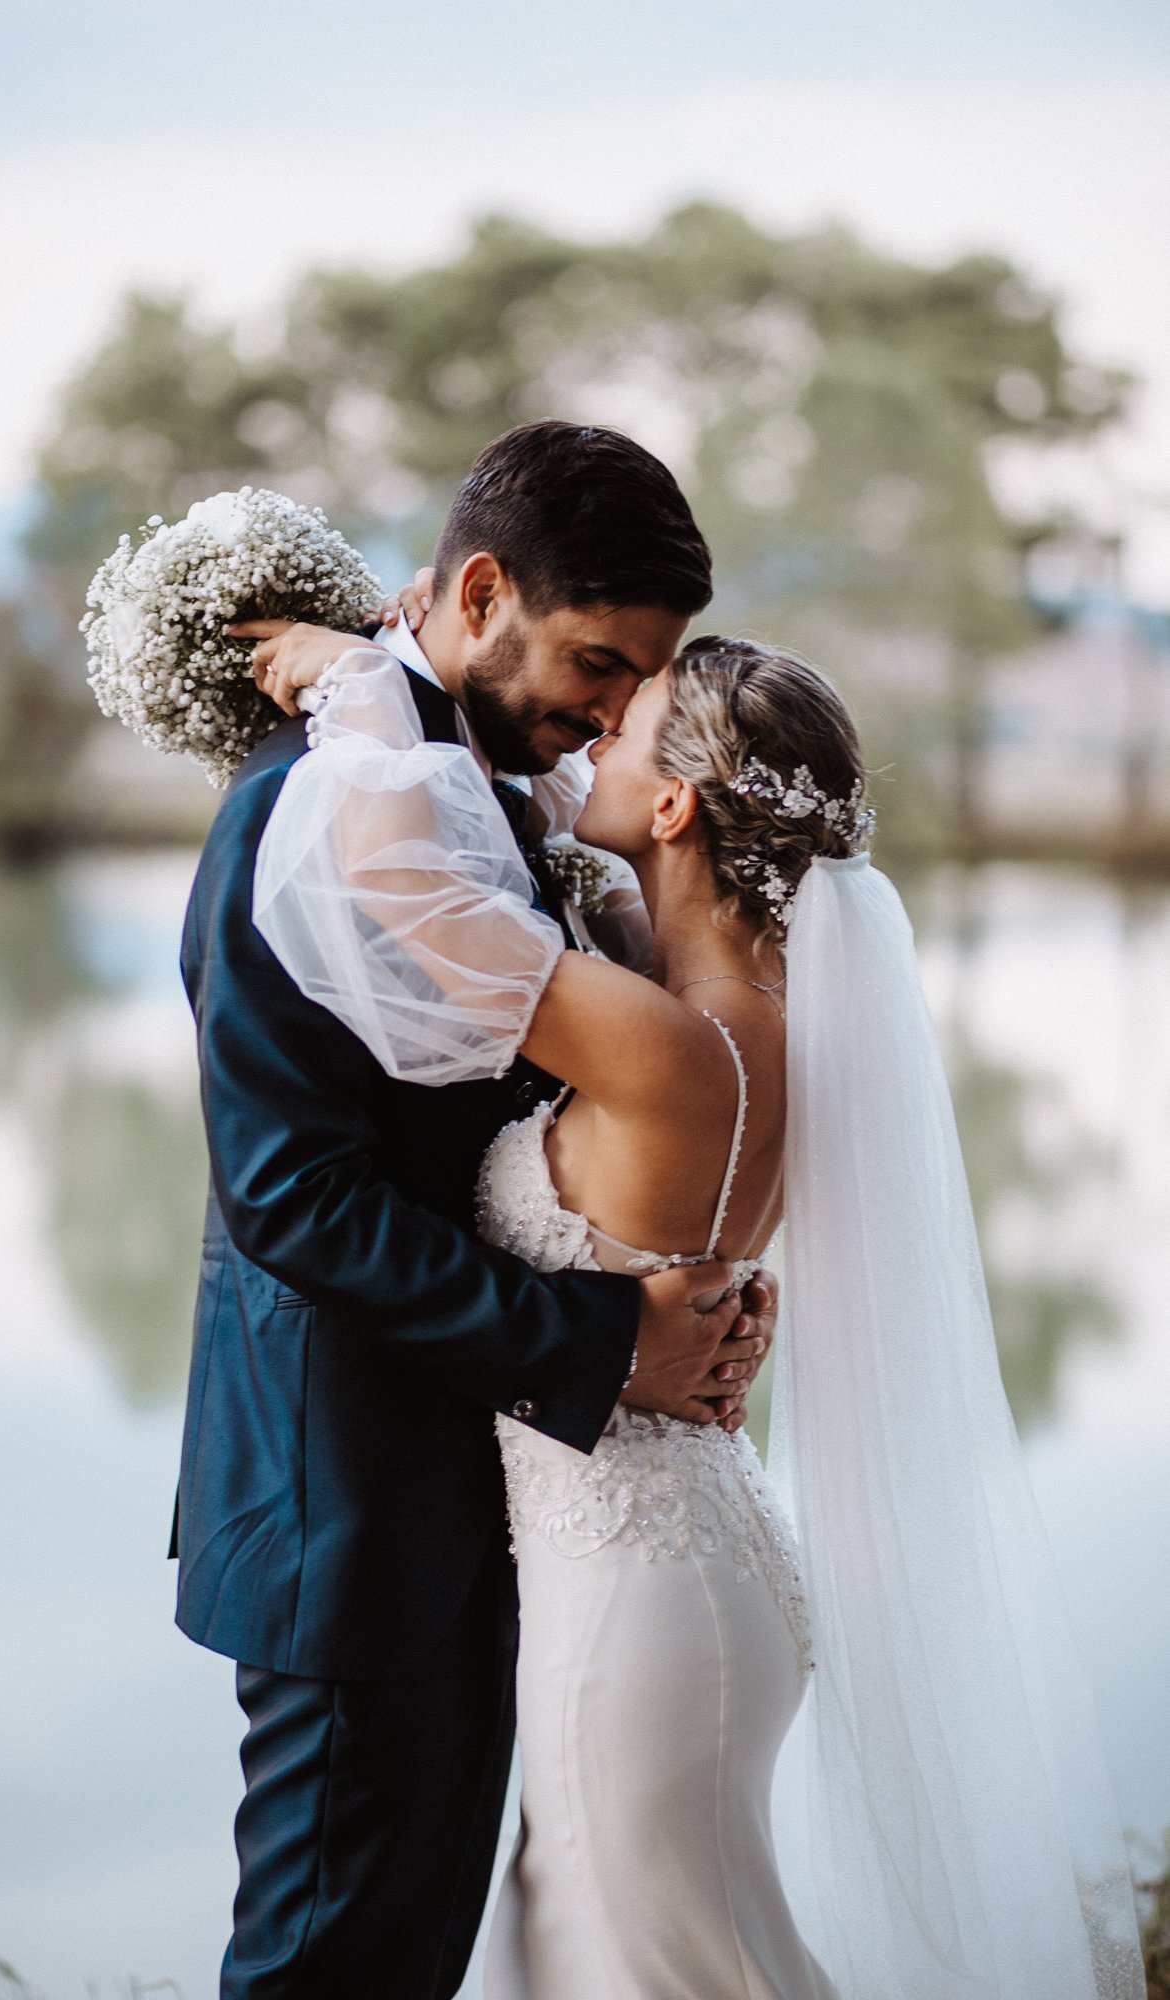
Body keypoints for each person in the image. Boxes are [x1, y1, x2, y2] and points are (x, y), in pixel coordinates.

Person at [255, 602, 1146, 1997]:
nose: (590, 731)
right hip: (676, 1564)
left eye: (620, 721)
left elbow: (402, 890)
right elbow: (571, 876)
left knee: (676, 1974)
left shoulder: (668, 1043)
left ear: (672, 803)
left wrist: (363, 684)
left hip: (635, 1601)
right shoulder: (734, 1003)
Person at [171, 420, 778, 2000]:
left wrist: (673, 1271)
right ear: (483, 589)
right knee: (334, 1969)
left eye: (632, 688)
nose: (605, 714)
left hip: (515, 1505)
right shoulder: (305, 820)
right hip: (352, 1509)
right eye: (594, 662)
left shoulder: (480, 796)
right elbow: (294, 1199)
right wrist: (603, 1342)